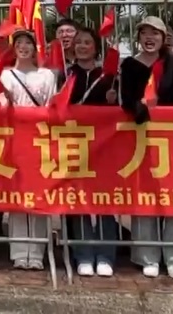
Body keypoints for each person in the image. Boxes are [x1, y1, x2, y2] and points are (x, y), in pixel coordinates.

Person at [120, 16, 173, 279]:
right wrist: (138, 107)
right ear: (138, 37)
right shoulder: (129, 65)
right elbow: (126, 99)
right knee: (144, 196)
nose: (149, 38)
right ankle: (147, 256)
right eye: (144, 33)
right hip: (140, 137)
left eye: (155, 33)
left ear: (164, 38)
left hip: (171, 139)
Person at [62, 26, 116, 276]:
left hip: (104, 145)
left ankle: (106, 255)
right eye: (78, 43)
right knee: (78, 200)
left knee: (104, 200)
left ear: (96, 47)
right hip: (72, 143)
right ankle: (83, 254)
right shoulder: (64, 74)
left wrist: (114, 100)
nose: (82, 46)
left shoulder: (108, 76)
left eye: (87, 42)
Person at [1, 29, 56, 271]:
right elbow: (0, 106)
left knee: (39, 194)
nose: (23, 47)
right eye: (19, 43)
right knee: (18, 196)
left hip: (39, 137)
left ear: (35, 48)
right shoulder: (5, 75)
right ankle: (19, 252)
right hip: (14, 138)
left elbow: (52, 104)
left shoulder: (46, 75)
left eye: (28, 43)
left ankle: (37, 252)